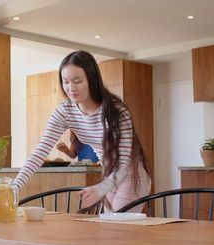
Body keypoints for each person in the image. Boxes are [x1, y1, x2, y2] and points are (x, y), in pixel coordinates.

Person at [11, 50, 151, 213]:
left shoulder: (116, 112)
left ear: (92, 79)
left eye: (77, 81)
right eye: (66, 82)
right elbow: (40, 151)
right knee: (110, 229)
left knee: (118, 229)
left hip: (131, 173)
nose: (71, 88)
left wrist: (100, 189)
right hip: (109, 173)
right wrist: (13, 187)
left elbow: (123, 164)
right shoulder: (65, 111)